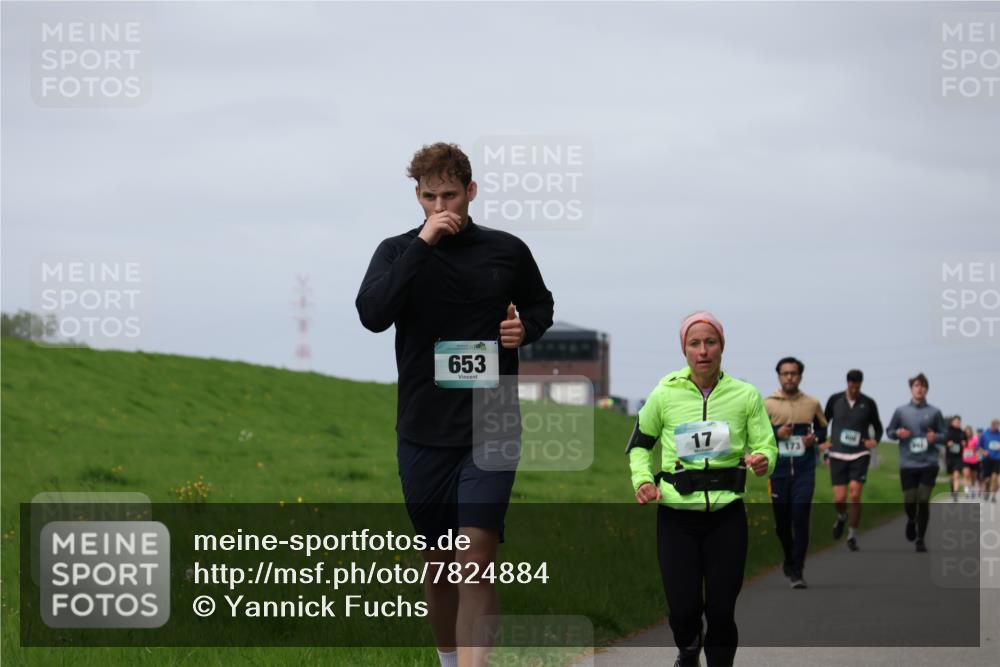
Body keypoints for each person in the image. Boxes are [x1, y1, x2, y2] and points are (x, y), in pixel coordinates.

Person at [356, 142, 554, 667]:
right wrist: (424, 243)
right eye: (430, 197)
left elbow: (540, 304)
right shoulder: (396, 252)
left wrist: (525, 329)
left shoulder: (506, 250)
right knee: (440, 564)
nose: (441, 206)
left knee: (475, 559)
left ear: (471, 191)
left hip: (492, 425)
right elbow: (373, 314)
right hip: (422, 428)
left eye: (450, 195)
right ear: (417, 197)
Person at [627, 311, 776, 667]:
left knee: (722, 611)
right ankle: (689, 648)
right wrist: (643, 480)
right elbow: (640, 444)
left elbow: (766, 444)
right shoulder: (664, 393)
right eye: (695, 343)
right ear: (685, 350)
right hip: (677, 518)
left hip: (727, 517)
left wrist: (763, 460)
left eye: (710, 342)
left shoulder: (745, 395)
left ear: (722, 346)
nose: (703, 350)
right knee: (684, 609)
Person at [764, 356, 828, 588]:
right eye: (785, 373)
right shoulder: (768, 404)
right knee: (782, 524)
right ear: (779, 376)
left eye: (793, 373)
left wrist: (814, 439)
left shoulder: (812, 403)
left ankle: (797, 570)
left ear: (800, 376)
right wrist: (776, 433)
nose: (789, 377)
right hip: (778, 471)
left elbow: (822, 429)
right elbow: (758, 433)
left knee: (800, 517)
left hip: (804, 471)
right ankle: (789, 557)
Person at [822, 369, 883, 551]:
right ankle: (842, 516)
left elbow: (878, 427)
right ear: (847, 383)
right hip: (838, 454)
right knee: (839, 499)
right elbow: (823, 422)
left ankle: (851, 536)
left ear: (861, 385)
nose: (854, 390)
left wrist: (875, 441)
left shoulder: (868, 403)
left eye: (857, 387)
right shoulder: (834, 400)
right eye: (852, 386)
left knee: (855, 495)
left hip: (860, 454)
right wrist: (822, 441)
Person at [886, 373, 946, 552]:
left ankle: (920, 539)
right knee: (910, 500)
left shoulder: (935, 412)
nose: (920, 389)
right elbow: (889, 431)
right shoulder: (901, 411)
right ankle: (911, 519)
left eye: (923, 386)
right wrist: (898, 433)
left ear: (927, 389)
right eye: (916, 386)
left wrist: (936, 437)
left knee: (923, 498)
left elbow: (945, 434)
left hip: (929, 463)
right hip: (908, 463)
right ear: (911, 389)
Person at [944, 416, 967, 502]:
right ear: (952, 422)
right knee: (951, 477)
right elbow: (943, 440)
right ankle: (952, 489)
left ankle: (955, 494)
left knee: (956, 475)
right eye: (956, 421)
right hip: (949, 457)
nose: (958, 423)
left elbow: (966, 441)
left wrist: (964, 443)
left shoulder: (962, 432)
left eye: (959, 422)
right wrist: (947, 443)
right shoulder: (947, 431)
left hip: (958, 457)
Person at [978, 420, 1000, 503]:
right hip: (987, 459)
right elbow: (979, 447)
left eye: (998, 425)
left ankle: (993, 496)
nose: (997, 427)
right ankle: (987, 491)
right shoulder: (984, 434)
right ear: (992, 425)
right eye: (996, 425)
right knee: (987, 480)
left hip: (997, 459)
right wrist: (983, 452)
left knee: (995, 478)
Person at [961, 425, 981, 498]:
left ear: (971, 432)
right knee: (966, 474)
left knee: (973, 477)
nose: (967, 433)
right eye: (966, 431)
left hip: (974, 460)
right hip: (965, 460)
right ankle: (966, 491)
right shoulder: (962, 440)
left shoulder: (975, 439)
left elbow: (979, 447)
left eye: (969, 431)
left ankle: (972, 489)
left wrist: (974, 448)